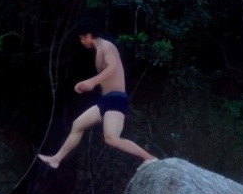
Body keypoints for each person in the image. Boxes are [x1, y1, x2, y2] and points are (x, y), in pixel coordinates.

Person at [37, 22, 156, 169]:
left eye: (82, 38)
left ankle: (150, 158)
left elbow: (113, 67)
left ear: (89, 36)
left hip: (117, 100)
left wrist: (91, 81)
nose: (81, 42)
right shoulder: (99, 49)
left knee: (111, 138)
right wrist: (85, 84)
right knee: (77, 124)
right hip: (105, 100)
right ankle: (56, 159)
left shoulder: (107, 46)